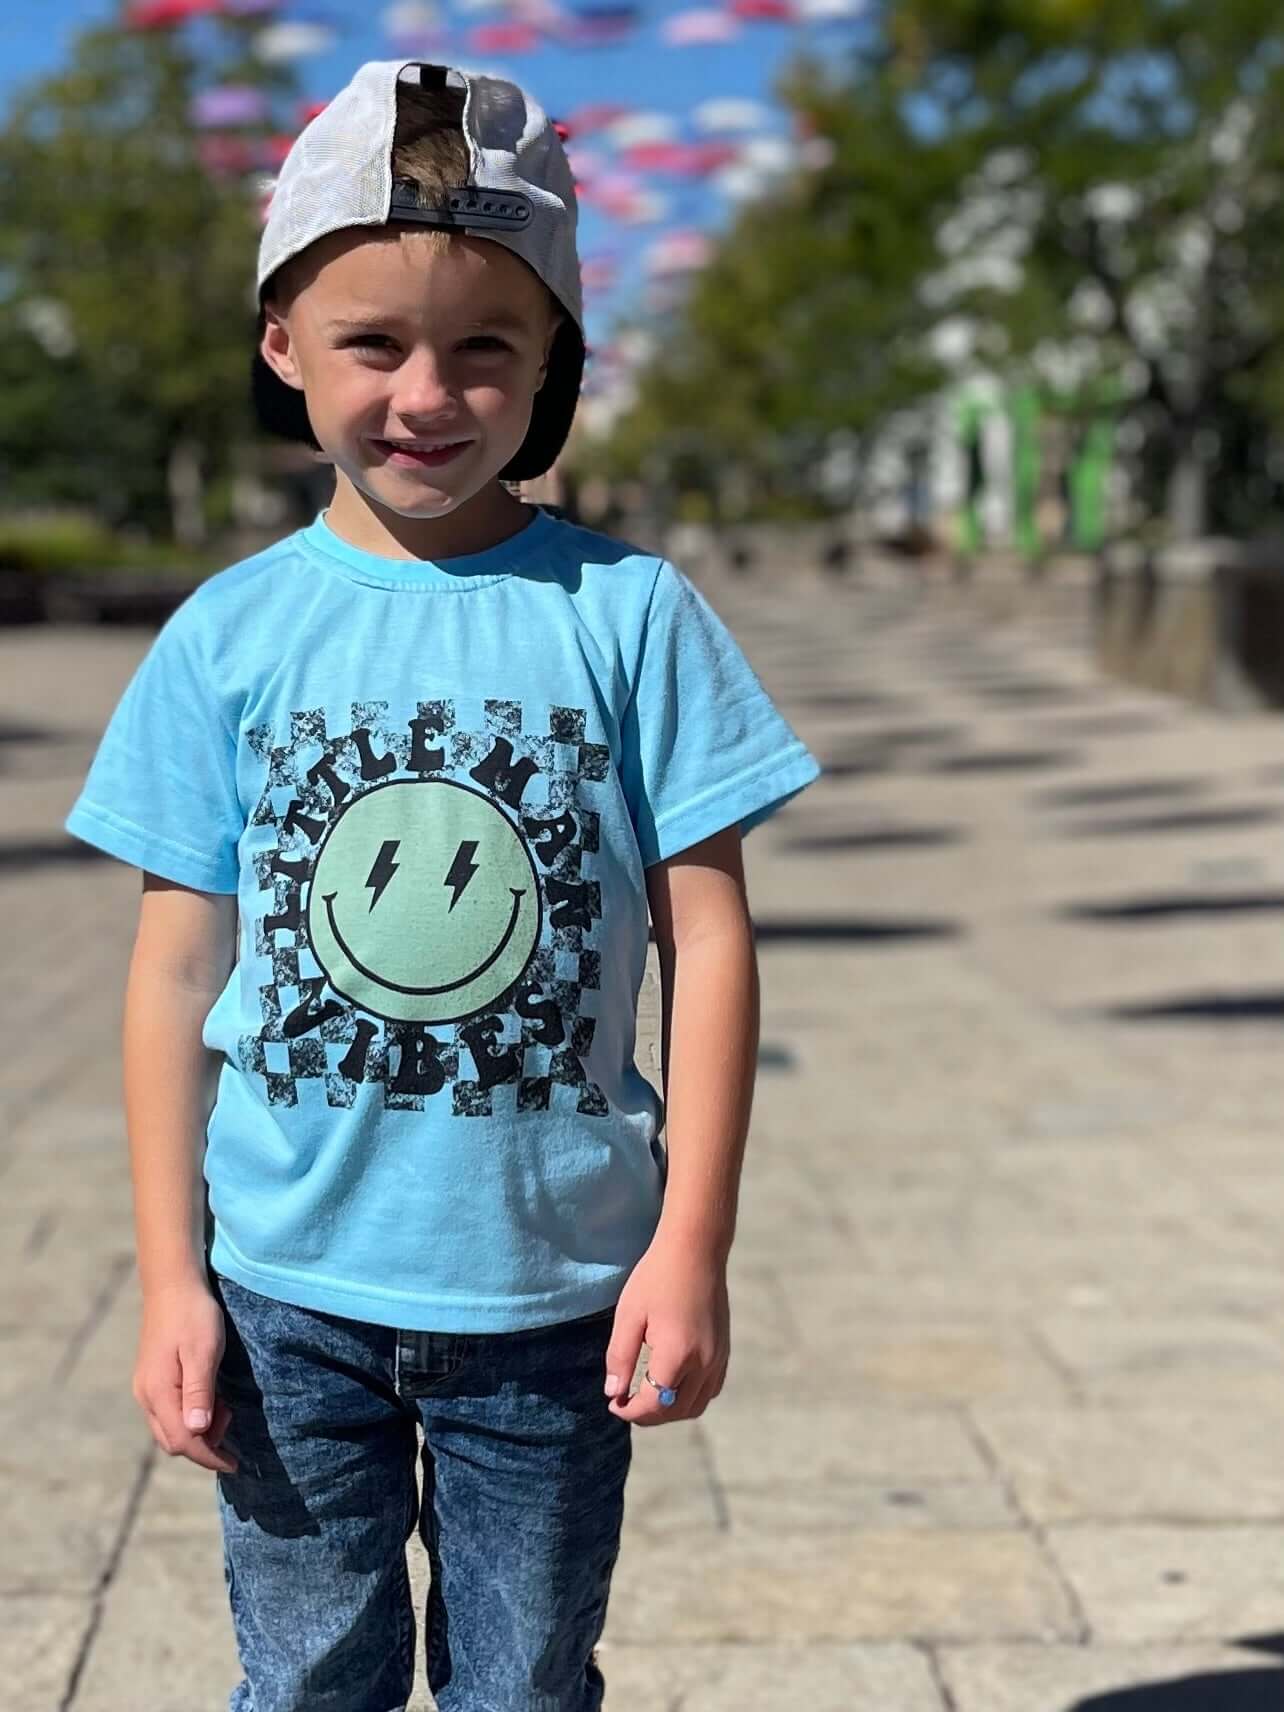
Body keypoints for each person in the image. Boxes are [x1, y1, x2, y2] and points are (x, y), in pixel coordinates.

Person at [64, 59, 822, 1712]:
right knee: (309, 1678)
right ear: (283, 347)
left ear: (556, 362)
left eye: (488, 346)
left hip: (554, 1300)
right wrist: (170, 1282)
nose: (430, 393)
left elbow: (710, 932)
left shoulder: (630, 617)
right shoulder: (231, 636)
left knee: (525, 1685)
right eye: (374, 344)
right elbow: (174, 971)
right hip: (283, 1297)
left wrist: (693, 1241)